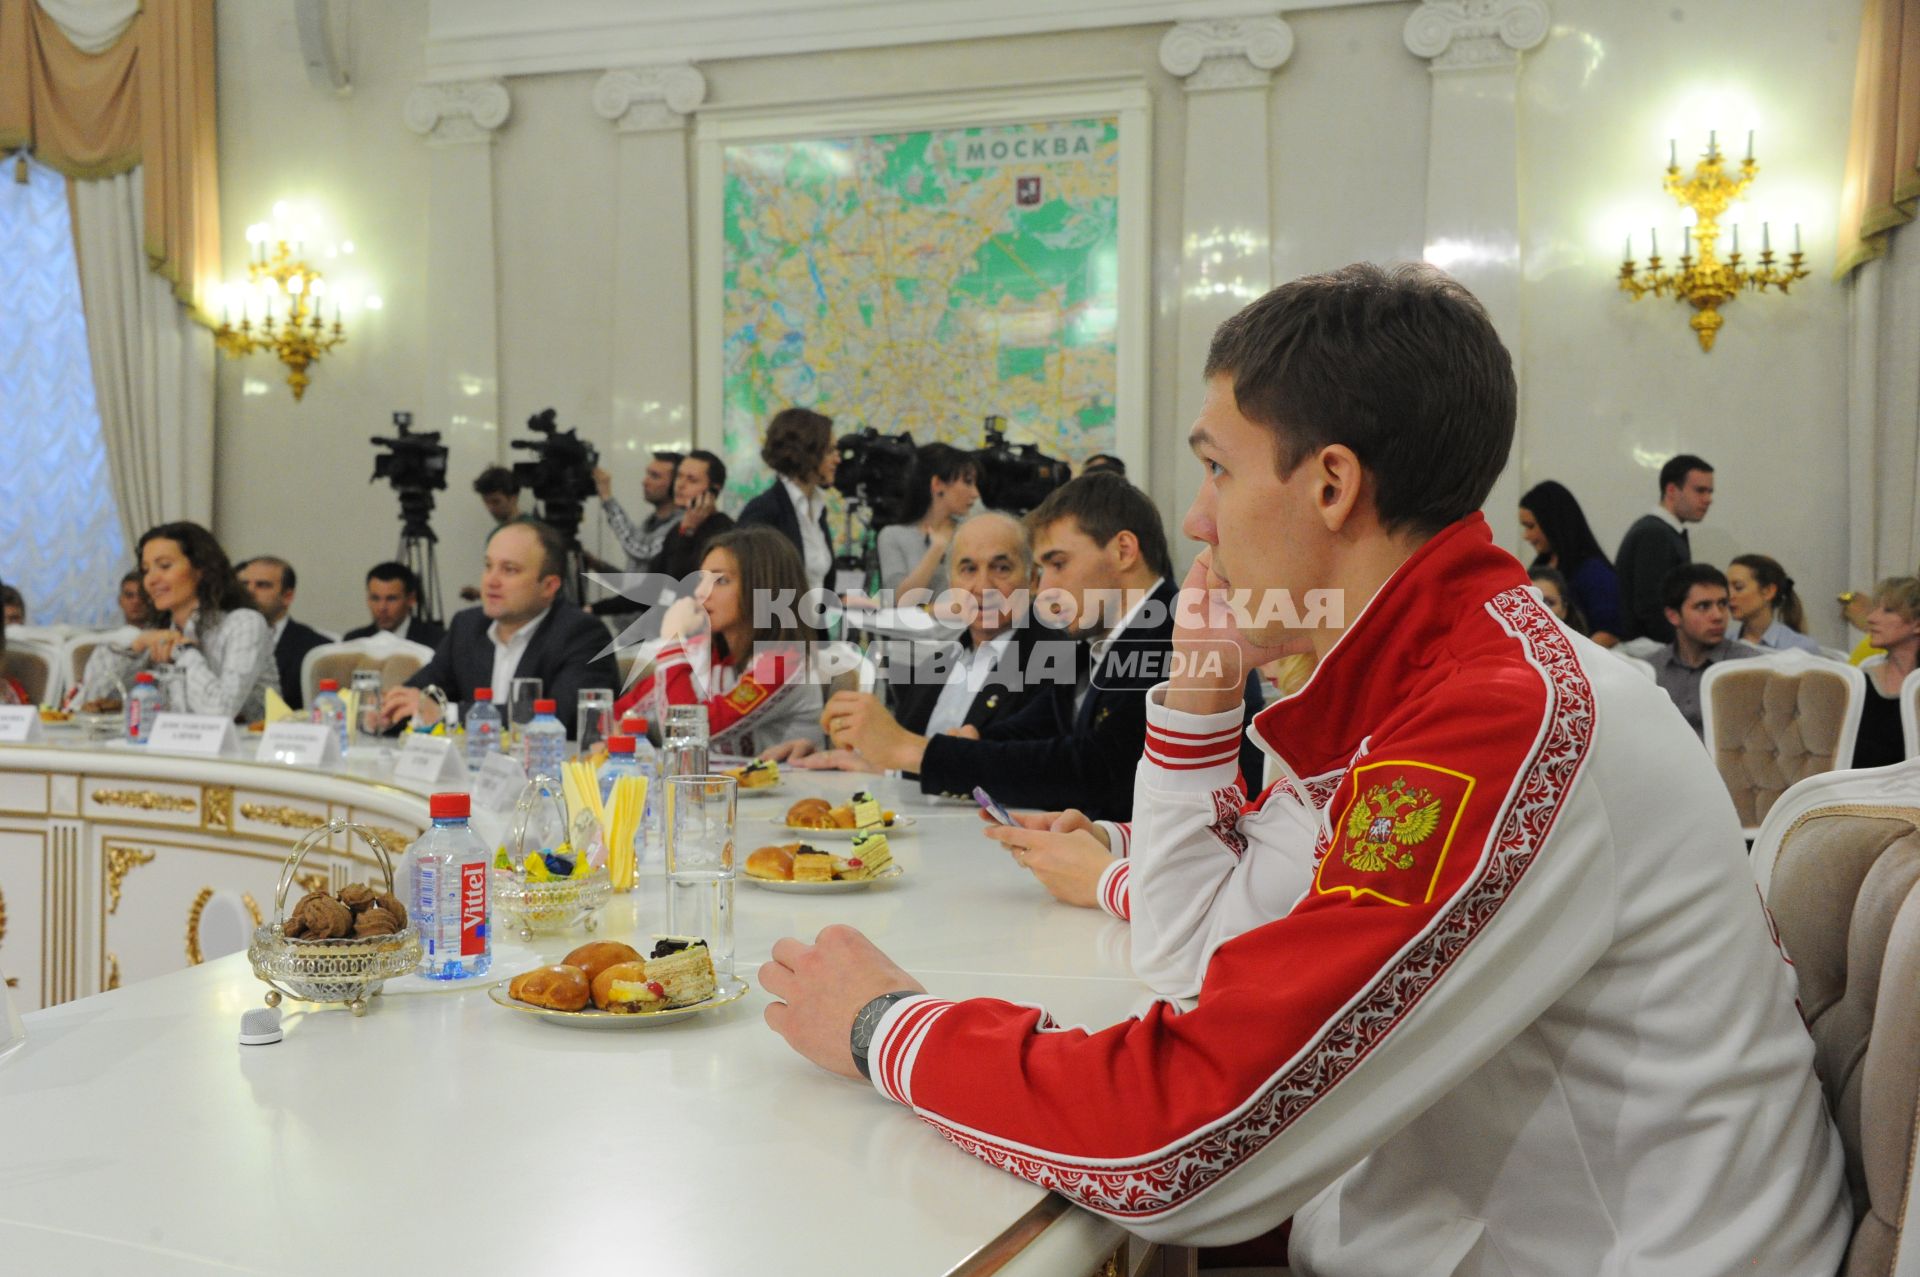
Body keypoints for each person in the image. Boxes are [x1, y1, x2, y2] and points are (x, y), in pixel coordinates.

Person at [758, 264, 1845, 1275]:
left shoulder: (1498, 716)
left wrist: (884, 1025)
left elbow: (1182, 1144)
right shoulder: (1421, 677)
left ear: (1331, 484)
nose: (1195, 518)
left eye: (1217, 469)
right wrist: (1196, 694)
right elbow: (1198, 954)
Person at [807, 473, 1265, 821]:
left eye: (1058, 564)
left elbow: (1099, 772)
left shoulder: (1176, 632)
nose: (1044, 587)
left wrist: (915, 752)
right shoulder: (1100, 641)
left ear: (1124, 551)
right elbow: (1039, 727)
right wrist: (975, 742)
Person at [792, 512, 1059, 771]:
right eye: (968, 569)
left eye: (1001, 568)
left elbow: (1025, 770)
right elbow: (904, 758)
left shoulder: (1055, 661)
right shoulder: (938, 665)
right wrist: (849, 758)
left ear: (1033, 579)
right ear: (951, 583)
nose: (982, 586)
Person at [380, 517, 619, 738]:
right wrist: (386, 713)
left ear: (549, 586)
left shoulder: (583, 635)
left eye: (509, 570)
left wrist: (448, 713)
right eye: (488, 565)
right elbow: (422, 694)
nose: (491, 581)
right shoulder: (467, 626)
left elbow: (563, 720)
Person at [614, 526, 825, 757]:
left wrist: (673, 643)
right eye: (702, 580)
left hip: (797, 791)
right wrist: (615, 729)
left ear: (763, 589)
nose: (701, 593)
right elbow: (621, 714)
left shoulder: (784, 662)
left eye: (721, 580)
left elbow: (688, 735)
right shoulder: (709, 654)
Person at [79, 523, 277, 721]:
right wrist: (132, 648)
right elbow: (92, 704)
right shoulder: (159, 632)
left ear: (202, 569)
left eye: (164, 566)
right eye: (146, 570)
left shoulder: (244, 624)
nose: (150, 580)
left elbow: (219, 712)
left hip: (246, 749)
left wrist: (183, 652)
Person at [1648, 562, 1764, 738]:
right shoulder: (1650, 670)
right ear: (1673, 615)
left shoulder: (1750, 667)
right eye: (1703, 606)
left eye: (1723, 604)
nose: (1718, 616)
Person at [1614, 453, 1713, 643]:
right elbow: (1651, 607)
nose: (1708, 499)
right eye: (1700, 491)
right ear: (1671, 490)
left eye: (1710, 492)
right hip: (1651, 653)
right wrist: (1679, 651)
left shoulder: (1664, 531)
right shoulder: (1655, 534)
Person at [738, 408, 837, 590]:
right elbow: (754, 585)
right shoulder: (764, 510)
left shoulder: (816, 508)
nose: (837, 459)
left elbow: (816, 587)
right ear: (807, 452)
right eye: (830, 451)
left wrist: (840, 601)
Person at [1517, 480, 1620, 644]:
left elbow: (1609, 633)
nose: (1526, 536)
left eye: (1530, 526)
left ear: (1552, 523)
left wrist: (1571, 660)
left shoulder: (1594, 573)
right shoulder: (1539, 566)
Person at [876, 443, 980, 602]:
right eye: (967, 482)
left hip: (961, 626)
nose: (975, 493)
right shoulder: (893, 535)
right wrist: (936, 549)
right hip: (909, 626)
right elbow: (900, 602)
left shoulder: (972, 535)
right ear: (937, 484)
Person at [235, 556, 330, 711]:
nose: (249, 592)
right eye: (244, 584)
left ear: (287, 596)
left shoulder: (316, 648)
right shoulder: (217, 639)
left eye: (262, 585)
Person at [1853, 576, 1919, 769]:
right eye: (1875, 609)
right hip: (1858, 792)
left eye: (1888, 611)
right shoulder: (1860, 680)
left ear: (1917, 624)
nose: (1871, 618)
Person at [651, 450, 734, 584]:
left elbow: (681, 583)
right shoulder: (677, 529)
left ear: (713, 490)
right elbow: (652, 584)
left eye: (692, 480)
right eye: (679, 476)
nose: (680, 485)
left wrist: (687, 533)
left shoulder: (725, 533)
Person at [595, 451, 684, 571]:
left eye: (655, 476)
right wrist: (595, 564)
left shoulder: (681, 525)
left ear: (675, 485)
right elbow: (634, 583)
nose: (645, 482)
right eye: (647, 474)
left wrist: (607, 498)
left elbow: (640, 550)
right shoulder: (650, 522)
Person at [1727, 554, 1820, 654]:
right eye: (1726, 588)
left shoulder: (1800, 648)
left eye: (1738, 587)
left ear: (1768, 591)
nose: (1729, 595)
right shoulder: (1723, 643)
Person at [342, 563, 446, 647]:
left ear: (411, 599)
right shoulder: (353, 641)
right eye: (375, 598)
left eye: (391, 599)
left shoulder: (438, 641)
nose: (382, 607)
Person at [1528, 565, 1588, 635]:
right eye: (1530, 602)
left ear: (1564, 609)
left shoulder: (1583, 645)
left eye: (1548, 603)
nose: (1539, 611)